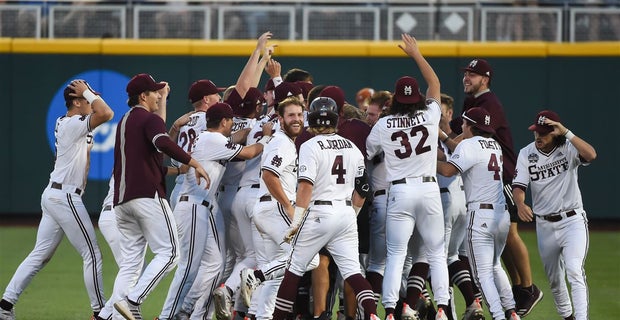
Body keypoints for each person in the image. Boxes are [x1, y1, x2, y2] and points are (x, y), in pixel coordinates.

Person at [95, 73, 210, 320]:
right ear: (143, 96)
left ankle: (108, 317)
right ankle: (134, 301)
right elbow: (163, 141)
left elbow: (151, 159)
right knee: (170, 253)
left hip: (121, 203)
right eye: (155, 92)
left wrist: (179, 169)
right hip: (147, 196)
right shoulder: (148, 119)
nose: (159, 95)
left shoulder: (125, 121)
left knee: (130, 266)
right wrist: (193, 162)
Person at [0, 80, 113, 320]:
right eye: (86, 99)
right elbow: (106, 113)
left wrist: (88, 95)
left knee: (40, 255)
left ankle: (5, 305)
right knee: (92, 254)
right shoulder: (72, 124)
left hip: (55, 194)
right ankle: (100, 312)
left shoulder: (71, 124)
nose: (91, 103)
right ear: (75, 102)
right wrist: (88, 93)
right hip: (65, 196)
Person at [448, 58, 543, 317]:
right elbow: (460, 135)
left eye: (473, 74)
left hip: (505, 177)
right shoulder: (474, 103)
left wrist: (442, 139)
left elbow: (463, 142)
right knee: (495, 257)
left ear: (485, 79)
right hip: (493, 176)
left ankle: (527, 288)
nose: (467, 78)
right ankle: (516, 294)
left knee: (509, 236)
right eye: (466, 73)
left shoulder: (489, 104)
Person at [366, 33, 451, 320]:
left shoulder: (385, 123)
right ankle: (442, 308)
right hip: (428, 190)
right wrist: (416, 53)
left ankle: (389, 311)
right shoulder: (429, 114)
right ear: (416, 98)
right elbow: (435, 84)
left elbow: (370, 150)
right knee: (436, 253)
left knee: (396, 255)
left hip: (399, 192)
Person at [272, 95, 379, 320]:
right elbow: (364, 188)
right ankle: (371, 314)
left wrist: (296, 220)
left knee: (293, 270)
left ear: (311, 119)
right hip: (345, 212)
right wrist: (352, 215)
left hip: (318, 213)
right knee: (354, 273)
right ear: (335, 119)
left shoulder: (310, 146)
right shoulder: (352, 147)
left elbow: (305, 187)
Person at [239, 97, 320, 320]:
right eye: (291, 115)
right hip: (276, 209)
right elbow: (268, 174)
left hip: (266, 208)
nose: (296, 119)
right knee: (310, 257)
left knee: (274, 276)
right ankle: (254, 276)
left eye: (299, 115)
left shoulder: (284, 142)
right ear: (280, 119)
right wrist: (287, 206)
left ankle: (262, 315)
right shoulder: (282, 142)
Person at [437, 107, 521, 320]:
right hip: (501, 215)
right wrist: (444, 136)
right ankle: (511, 312)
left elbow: (448, 170)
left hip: (480, 214)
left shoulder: (468, 145)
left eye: (464, 124)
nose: (462, 126)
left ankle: (499, 316)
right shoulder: (493, 144)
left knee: (482, 274)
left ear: (470, 126)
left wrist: (419, 160)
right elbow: (463, 148)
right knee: (495, 266)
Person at [513, 110, 596, 320]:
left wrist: (567, 133)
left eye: (544, 133)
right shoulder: (526, 153)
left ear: (556, 133)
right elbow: (519, 186)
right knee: (555, 280)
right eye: (536, 132)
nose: (538, 137)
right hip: (544, 225)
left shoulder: (568, 148)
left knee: (574, 270)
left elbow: (591, 154)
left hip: (572, 221)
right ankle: (567, 317)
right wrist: (520, 203)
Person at [437, 93, 482, 320]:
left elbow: (447, 164)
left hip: (449, 202)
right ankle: (475, 302)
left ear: (450, 113)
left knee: (437, 259)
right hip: (460, 202)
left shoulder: (461, 140)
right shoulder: (461, 140)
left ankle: (446, 312)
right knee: (452, 258)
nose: (437, 115)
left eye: (441, 111)